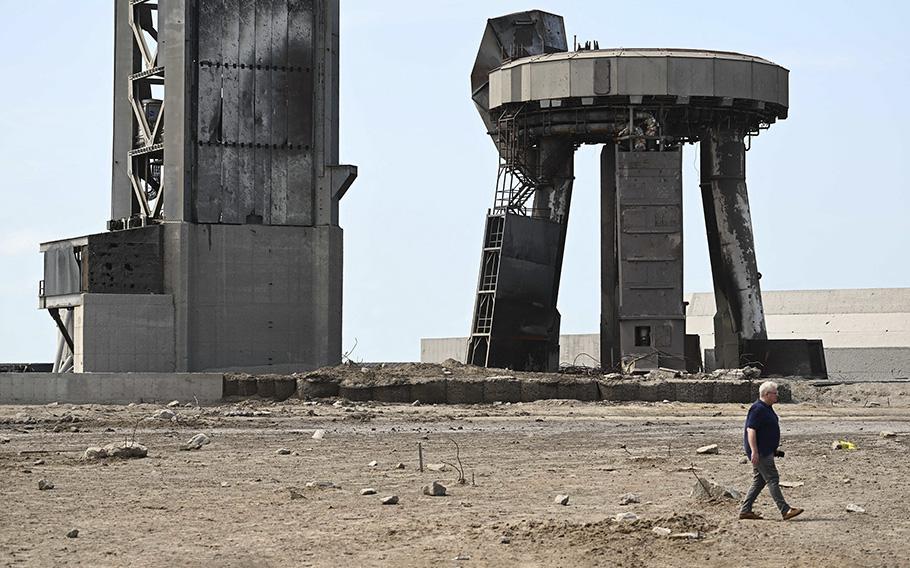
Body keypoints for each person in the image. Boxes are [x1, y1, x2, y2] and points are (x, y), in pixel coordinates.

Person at [739, 380, 804, 521]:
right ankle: (785, 510)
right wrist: (754, 451)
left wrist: (774, 450)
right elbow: (751, 430)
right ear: (767, 394)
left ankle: (745, 511)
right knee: (773, 479)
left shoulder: (767, 408)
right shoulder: (757, 409)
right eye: (775, 393)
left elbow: (766, 431)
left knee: (759, 481)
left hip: (766, 451)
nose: (777, 396)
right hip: (760, 453)